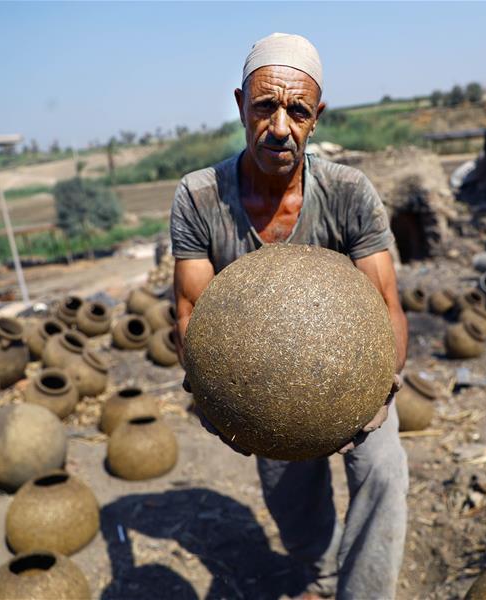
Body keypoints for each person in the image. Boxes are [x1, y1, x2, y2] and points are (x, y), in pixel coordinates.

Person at [171, 33, 408, 599]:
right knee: (290, 500)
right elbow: (189, 309)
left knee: (384, 472)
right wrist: (210, 396)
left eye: (297, 110)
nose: (280, 126)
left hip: (356, 377)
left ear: (316, 116)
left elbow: (387, 305)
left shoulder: (349, 191)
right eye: (264, 107)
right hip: (257, 391)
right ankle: (320, 574)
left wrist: (384, 391)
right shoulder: (200, 196)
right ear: (239, 104)